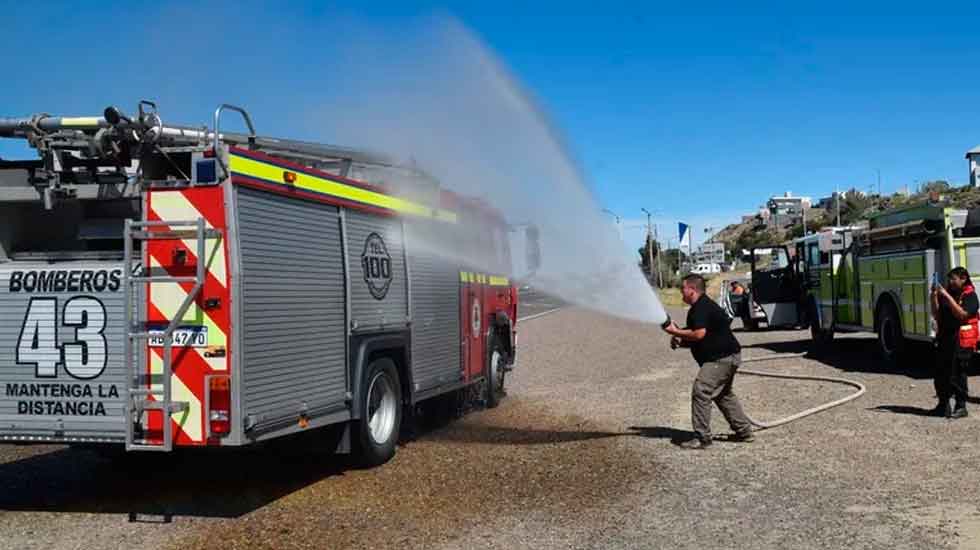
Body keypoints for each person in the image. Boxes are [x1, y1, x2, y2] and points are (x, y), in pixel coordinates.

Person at [665, 274, 754, 449]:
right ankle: (744, 431)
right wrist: (680, 339)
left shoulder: (701, 308)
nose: (681, 292)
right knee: (723, 395)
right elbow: (701, 337)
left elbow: (699, 334)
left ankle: (702, 437)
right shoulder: (700, 307)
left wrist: (674, 332)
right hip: (727, 356)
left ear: (692, 290)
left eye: (682, 288)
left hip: (720, 359)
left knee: (701, 390)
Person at [930, 267, 978, 419]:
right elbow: (937, 313)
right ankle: (943, 405)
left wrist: (946, 296)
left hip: (961, 340)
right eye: (949, 279)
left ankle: (961, 406)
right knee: (941, 372)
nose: (950, 282)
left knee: (957, 373)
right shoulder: (949, 294)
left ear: (963, 279)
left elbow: (963, 314)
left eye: (953, 279)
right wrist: (934, 296)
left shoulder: (970, 296)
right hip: (945, 337)